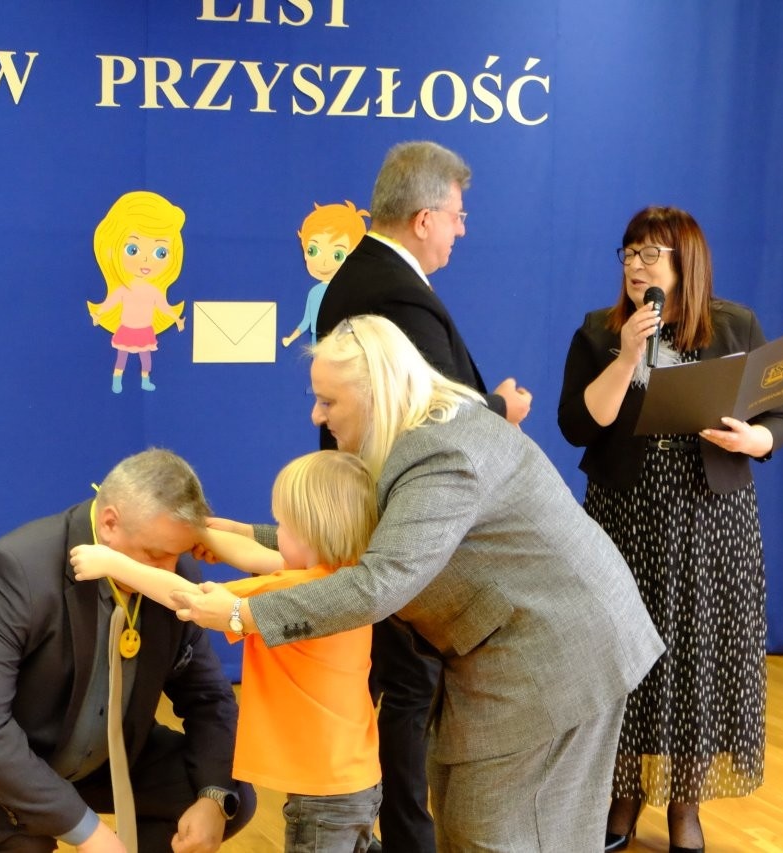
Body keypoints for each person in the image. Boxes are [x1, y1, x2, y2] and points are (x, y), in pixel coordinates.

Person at [175, 315, 664, 851]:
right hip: (506, 648)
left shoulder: (440, 452)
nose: (317, 414)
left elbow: (378, 582)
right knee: (467, 821)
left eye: (328, 401)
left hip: (554, 655)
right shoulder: (414, 434)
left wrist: (242, 615)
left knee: (499, 836)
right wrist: (239, 534)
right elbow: (351, 542)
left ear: (376, 392)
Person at [0, 449, 256, 853]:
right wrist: (90, 834)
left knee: (228, 796)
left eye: (179, 554)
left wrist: (213, 798)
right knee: (26, 838)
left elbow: (209, 698)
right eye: (155, 555)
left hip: (90, 747)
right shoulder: (20, 569)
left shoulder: (173, 574)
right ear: (109, 524)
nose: (169, 572)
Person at [311, 139, 529, 852]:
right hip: (400, 515)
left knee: (398, 681)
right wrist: (499, 410)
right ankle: (409, 837)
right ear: (425, 217)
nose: (462, 229)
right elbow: (431, 417)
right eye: (458, 215)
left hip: (383, 508)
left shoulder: (368, 274)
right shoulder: (393, 289)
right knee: (409, 685)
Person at [557, 206, 783, 853]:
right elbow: (578, 425)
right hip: (625, 512)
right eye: (629, 253)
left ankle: (686, 803)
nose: (636, 266)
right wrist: (629, 353)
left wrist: (756, 438)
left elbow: (777, 416)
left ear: (686, 262)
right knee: (621, 655)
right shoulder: (599, 331)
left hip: (711, 517)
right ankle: (622, 795)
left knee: (696, 657)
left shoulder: (735, 325)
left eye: (650, 254)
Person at [72, 450, 383, 853]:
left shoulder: (292, 591)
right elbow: (259, 556)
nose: (276, 533)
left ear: (310, 533)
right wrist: (198, 532)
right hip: (356, 781)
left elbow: (190, 598)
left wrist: (113, 563)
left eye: (282, 525)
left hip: (323, 795)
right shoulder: (343, 581)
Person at [88, 191, 188, 393]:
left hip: (145, 331)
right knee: (122, 357)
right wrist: (98, 314)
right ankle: (117, 381)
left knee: (146, 359)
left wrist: (176, 319)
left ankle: (145, 381)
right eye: (132, 249)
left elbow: (163, 307)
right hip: (127, 329)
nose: (146, 261)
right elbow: (110, 303)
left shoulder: (153, 291)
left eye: (160, 253)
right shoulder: (124, 289)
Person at [281, 201, 370, 348]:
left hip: (344, 344)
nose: (324, 263)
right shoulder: (315, 293)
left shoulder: (351, 292)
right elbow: (306, 322)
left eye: (338, 255)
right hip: (318, 343)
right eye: (313, 251)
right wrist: (290, 339)